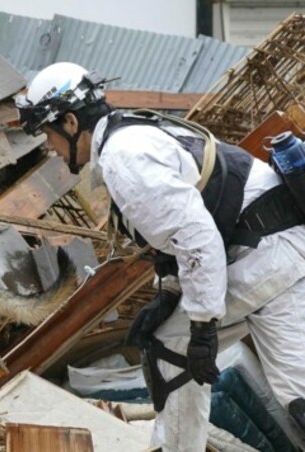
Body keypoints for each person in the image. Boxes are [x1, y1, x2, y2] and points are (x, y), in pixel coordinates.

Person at [17, 62, 305, 451]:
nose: (49, 148)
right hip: (280, 247)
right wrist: (168, 293)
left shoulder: (125, 159)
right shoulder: (137, 130)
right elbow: (182, 238)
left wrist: (203, 327)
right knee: (297, 392)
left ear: (69, 122)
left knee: (170, 343)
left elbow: (198, 240)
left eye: (48, 135)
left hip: (265, 254)